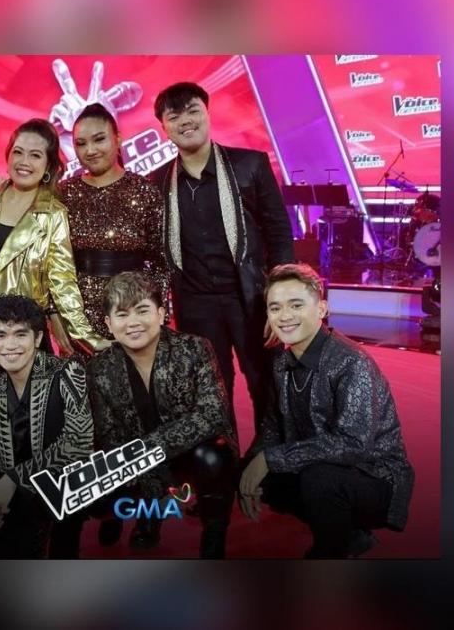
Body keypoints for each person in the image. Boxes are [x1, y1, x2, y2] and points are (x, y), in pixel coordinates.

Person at [238, 263, 414, 558]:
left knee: (318, 480)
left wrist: (271, 459)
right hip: (320, 464)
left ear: (321, 309)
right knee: (248, 469)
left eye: (296, 305)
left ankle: (333, 551)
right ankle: (351, 535)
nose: (285, 316)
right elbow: (271, 427)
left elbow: (353, 445)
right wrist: (252, 467)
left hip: (374, 477)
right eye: (275, 308)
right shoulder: (282, 362)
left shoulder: (351, 362)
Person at [148, 82, 294, 434]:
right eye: (174, 116)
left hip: (250, 299)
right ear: (164, 127)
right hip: (196, 304)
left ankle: (269, 459)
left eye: (193, 111)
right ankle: (224, 462)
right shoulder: (157, 181)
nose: (186, 121)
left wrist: (278, 297)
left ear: (208, 113)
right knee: (210, 393)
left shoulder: (250, 164)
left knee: (266, 384)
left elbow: (278, 232)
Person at [87, 272, 239, 558]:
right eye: (122, 314)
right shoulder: (100, 367)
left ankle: (214, 532)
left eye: (142, 310)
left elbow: (212, 414)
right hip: (138, 460)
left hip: (188, 451)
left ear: (161, 313)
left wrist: (147, 450)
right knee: (97, 498)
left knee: (213, 456)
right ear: (108, 324)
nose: (133, 322)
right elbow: (107, 434)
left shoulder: (194, 348)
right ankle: (142, 515)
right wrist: (135, 467)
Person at [0, 118, 109, 390]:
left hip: (25, 327)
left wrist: (85, 335)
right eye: (18, 152)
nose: (24, 162)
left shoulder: (53, 214)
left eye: (35, 155)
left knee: (36, 408)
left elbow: (62, 281)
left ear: (48, 166)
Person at [0, 295, 94, 558]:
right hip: (13, 493)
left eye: (20, 334)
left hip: (62, 484)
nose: (10, 345)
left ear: (38, 338)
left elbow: (78, 443)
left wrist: (14, 478)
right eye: (1, 335)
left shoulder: (67, 372)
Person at [58, 103, 169, 343]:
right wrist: (61, 318)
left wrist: (156, 314)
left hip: (135, 312)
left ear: (118, 139)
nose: (90, 150)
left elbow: (162, 261)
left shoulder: (144, 190)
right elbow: (53, 265)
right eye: (81, 143)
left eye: (99, 139)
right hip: (81, 317)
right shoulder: (63, 194)